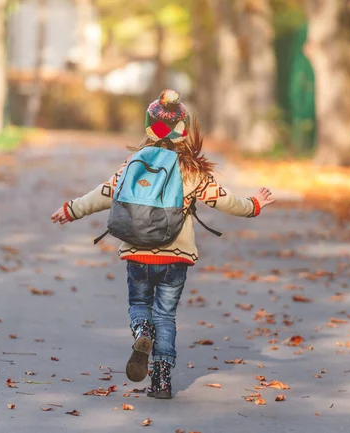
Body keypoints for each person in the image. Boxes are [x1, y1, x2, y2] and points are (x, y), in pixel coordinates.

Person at [51, 89, 275, 399]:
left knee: (140, 305)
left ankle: (142, 332)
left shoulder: (134, 163)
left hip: (137, 253)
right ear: (183, 129)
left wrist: (70, 210)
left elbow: (104, 194)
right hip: (175, 257)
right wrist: (254, 204)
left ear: (149, 127)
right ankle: (161, 382)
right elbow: (226, 202)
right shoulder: (192, 170)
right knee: (166, 316)